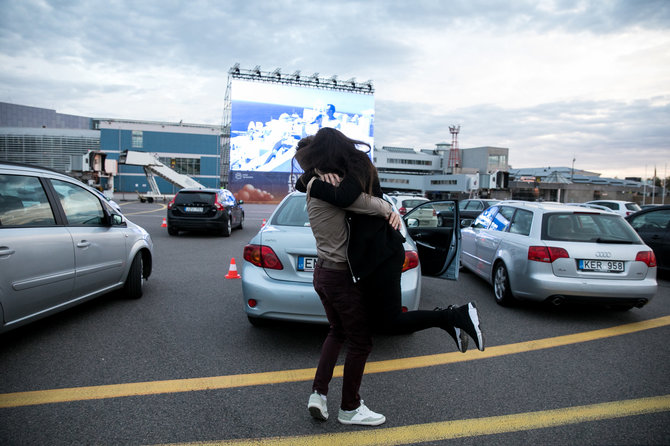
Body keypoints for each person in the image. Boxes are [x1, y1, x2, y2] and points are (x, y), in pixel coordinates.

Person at [294, 129, 485, 426]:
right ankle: (350, 408)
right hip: (343, 275)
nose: (306, 166)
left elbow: (327, 189)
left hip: (327, 272)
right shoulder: (328, 187)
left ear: (322, 157)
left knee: (339, 331)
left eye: (309, 161)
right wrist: (386, 206)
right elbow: (356, 200)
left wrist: (314, 177)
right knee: (362, 341)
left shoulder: (326, 180)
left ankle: (319, 394)